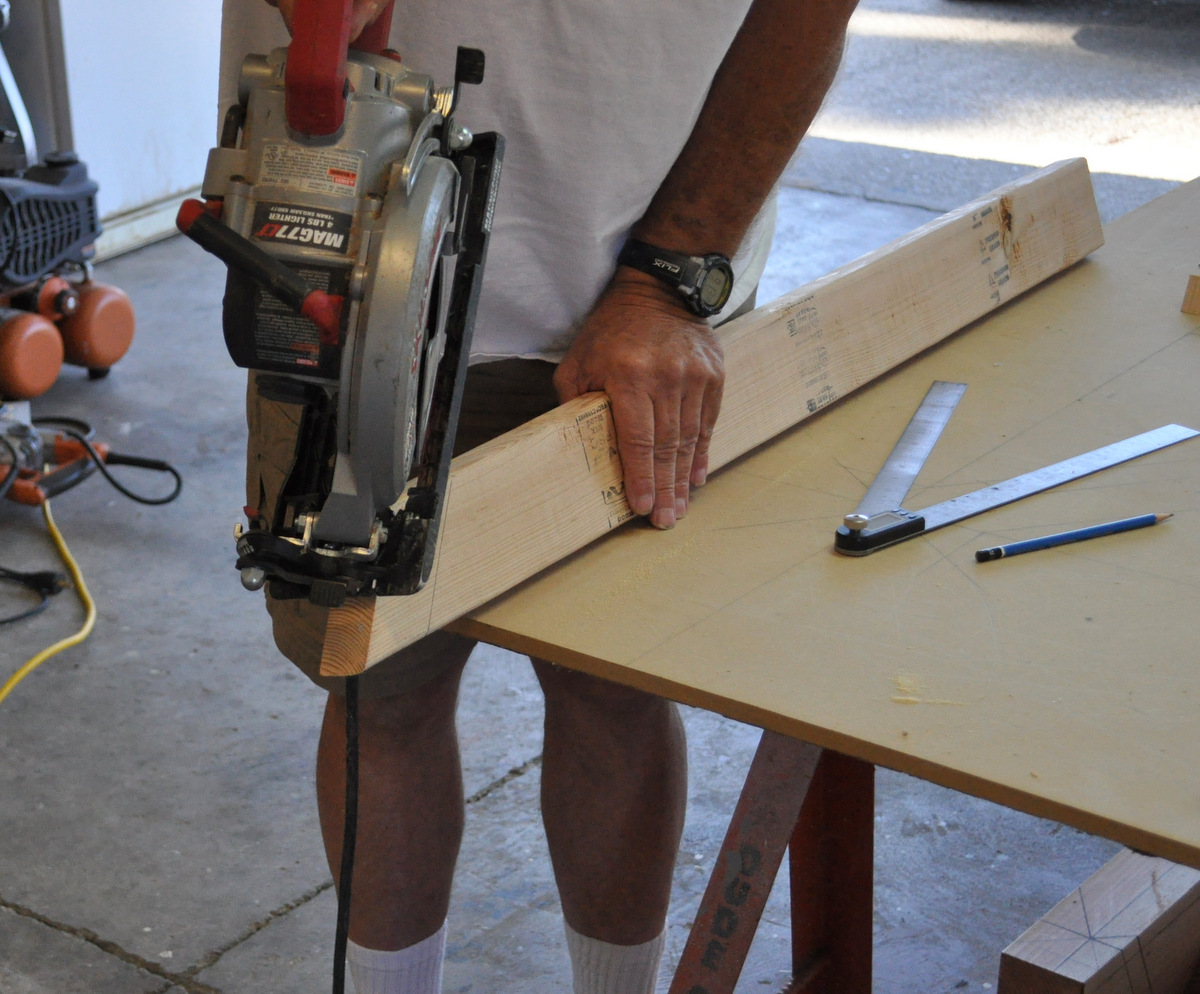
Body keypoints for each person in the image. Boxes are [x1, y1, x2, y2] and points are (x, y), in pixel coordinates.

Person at [219, 0, 857, 991]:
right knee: (379, 699)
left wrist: (673, 270)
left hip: (628, 280)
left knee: (616, 691)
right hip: (337, 258)